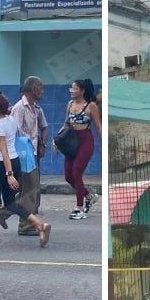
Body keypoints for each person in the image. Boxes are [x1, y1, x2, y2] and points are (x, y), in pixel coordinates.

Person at [0, 93, 51, 248]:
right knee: (9, 202)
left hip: (1, 164)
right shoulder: (11, 121)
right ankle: (39, 225)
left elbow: (4, 151)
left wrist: (9, 175)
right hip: (13, 162)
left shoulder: (0, 126)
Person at [57, 79, 101, 220]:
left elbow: (98, 127)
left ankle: (79, 208)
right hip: (71, 141)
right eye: (71, 88)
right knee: (68, 177)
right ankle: (89, 196)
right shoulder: (70, 104)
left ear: (82, 91)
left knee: (77, 172)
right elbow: (66, 124)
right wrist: (56, 140)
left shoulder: (91, 106)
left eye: (75, 88)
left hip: (85, 141)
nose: (72, 90)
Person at [10, 76, 48, 235]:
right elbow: (15, 131)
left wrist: (41, 144)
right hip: (24, 154)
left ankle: (28, 221)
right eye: (40, 87)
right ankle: (25, 225)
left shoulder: (35, 108)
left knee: (33, 189)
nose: (42, 90)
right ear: (32, 89)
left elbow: (42, 128)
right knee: (28, 190)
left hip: (32, 153)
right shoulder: (20, 108)